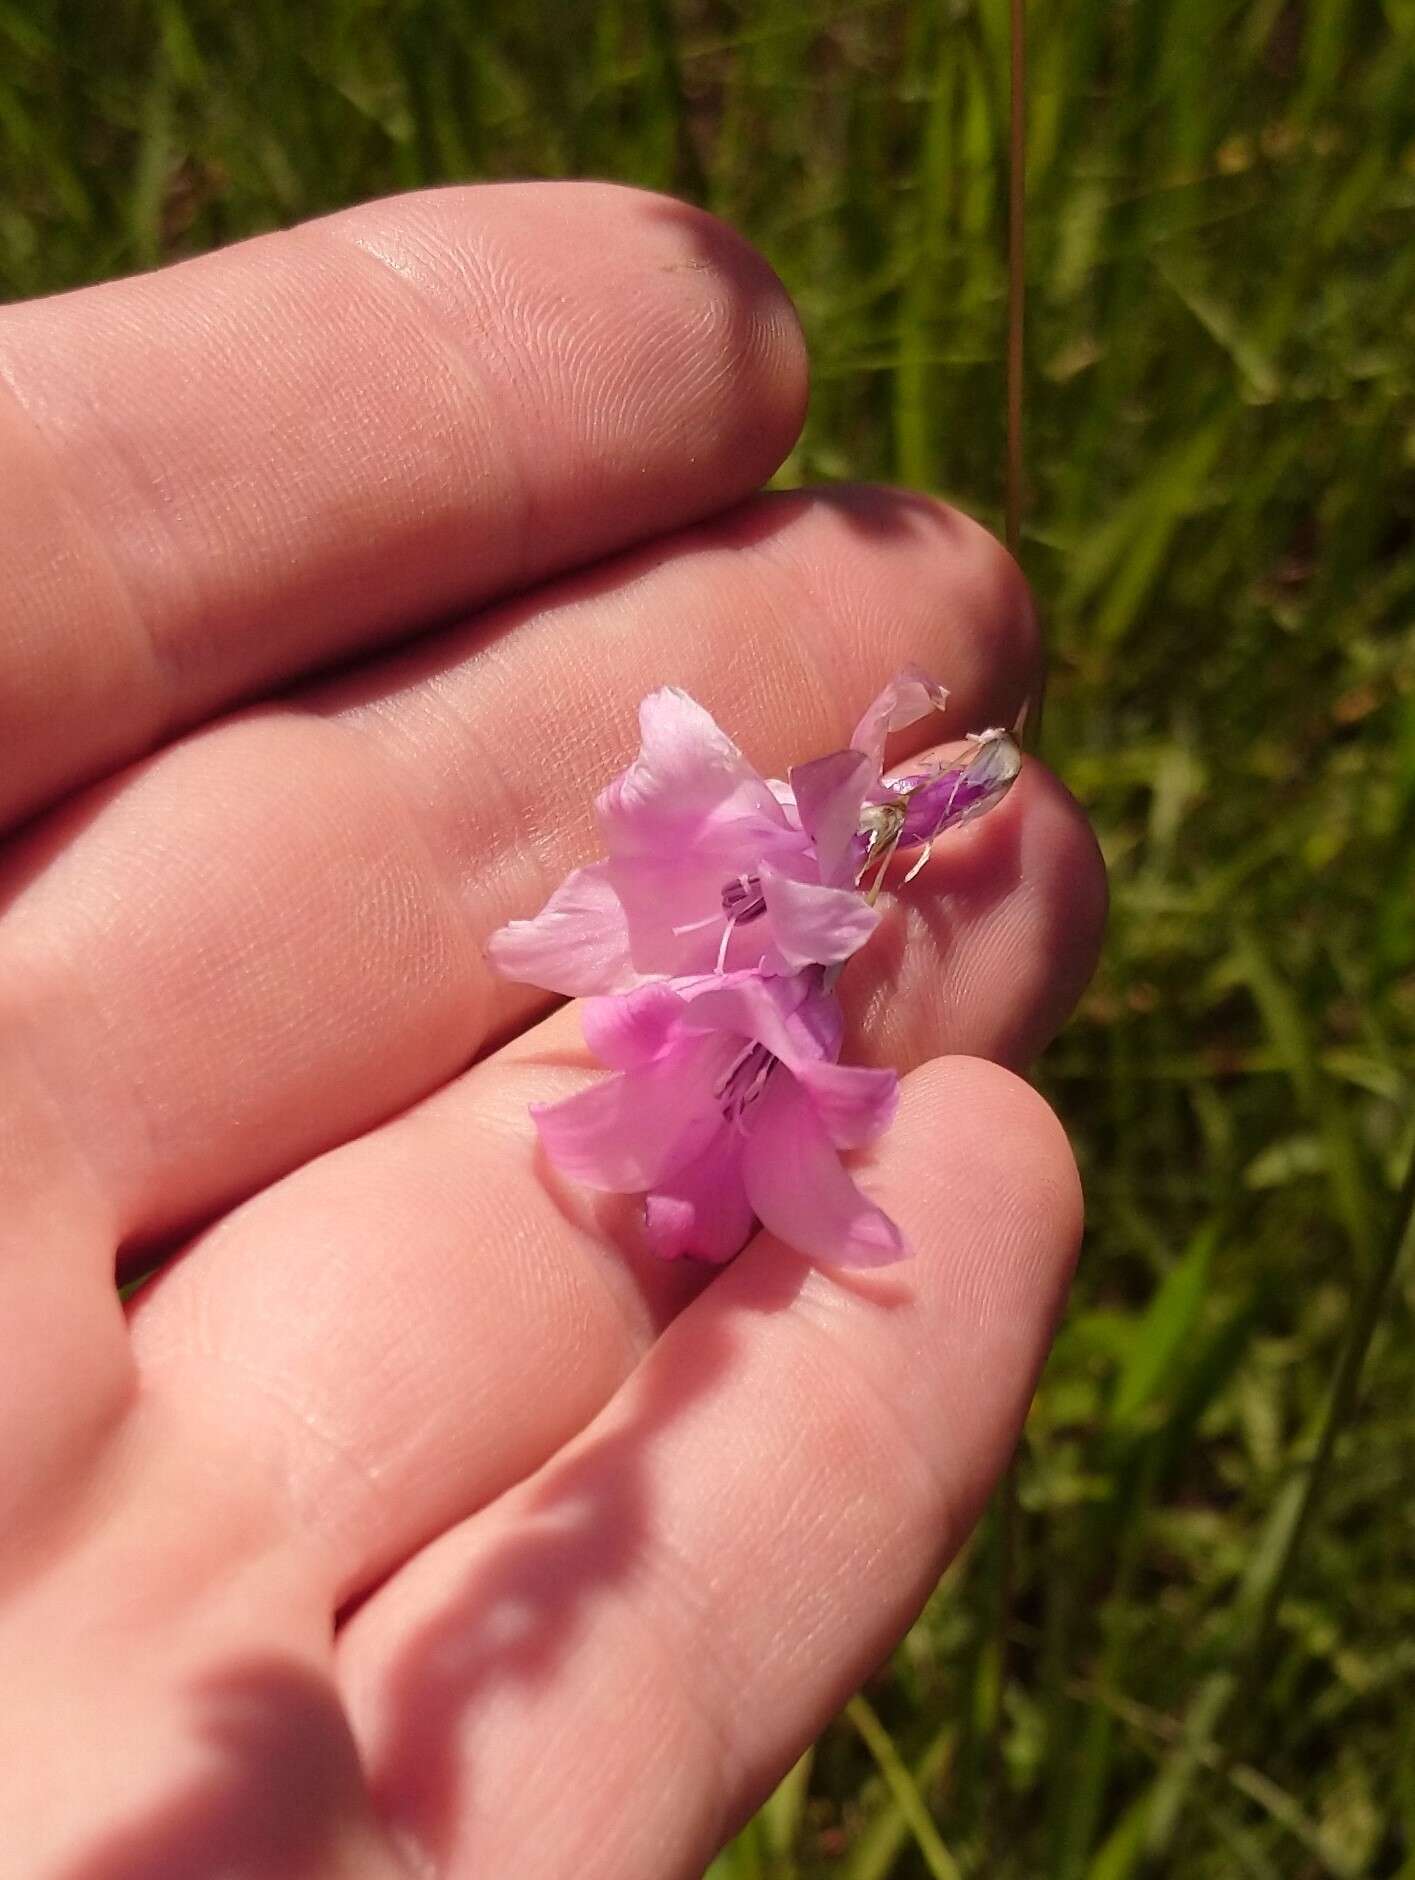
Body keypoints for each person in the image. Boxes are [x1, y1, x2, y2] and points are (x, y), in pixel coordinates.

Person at [0, 181, 1106, 1878]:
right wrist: (765, 979)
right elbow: (658, 950)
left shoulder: (777, 943)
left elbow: (769, 952)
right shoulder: (704, 935)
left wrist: (788, 985)